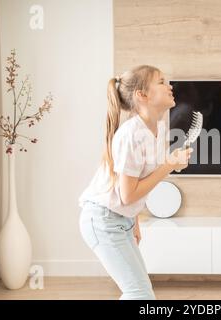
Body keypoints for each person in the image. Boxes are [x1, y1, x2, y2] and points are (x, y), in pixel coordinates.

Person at [78, 65, 192, 300]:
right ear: (142, 95)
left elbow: (137, 182)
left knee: (141, 292)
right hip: (103, 221)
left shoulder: (156, 129)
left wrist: (134, 221)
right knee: (139, 293)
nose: (170, 86)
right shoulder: (131, 134)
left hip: (120, 220)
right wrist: (169, 165)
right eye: (161, 81)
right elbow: (127, 194)